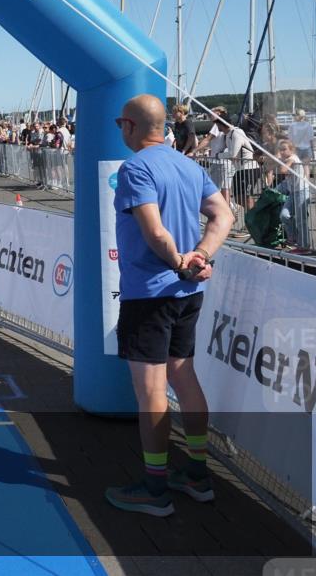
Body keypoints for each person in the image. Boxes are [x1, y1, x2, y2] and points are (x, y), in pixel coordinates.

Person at [106, 94, 233, 517]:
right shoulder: (188, 165)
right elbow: (224, 216)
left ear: (129, 126)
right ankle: (197, 473)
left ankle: (154, 488)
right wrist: (201, 256)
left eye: (119, 124)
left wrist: (182, 261)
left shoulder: (136, 168)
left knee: (151, 393)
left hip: (151, 293)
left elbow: (155, 232)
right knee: (184, 375)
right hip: (187, 293)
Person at [275, 139, 310, 249]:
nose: (282, 152)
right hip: (293, 192)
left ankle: (304, 246)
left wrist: (280, 159)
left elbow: (283, 170)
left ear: (291, 149)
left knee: (301, 220)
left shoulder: (292, 158)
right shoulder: (287, 159)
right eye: (280, 150)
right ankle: (293, 238)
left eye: (284, 149)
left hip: (302, 191)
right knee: (284, 215)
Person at [287, 109, 314, 181]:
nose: (294, 117)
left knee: (295, 167)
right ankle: (306, 185)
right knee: (306, 167)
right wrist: (313, 152)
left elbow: (290, 139)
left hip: (296, 149)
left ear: (298, 116)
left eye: (295, 115)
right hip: (307, 148)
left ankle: (296, 185)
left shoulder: (292, 125)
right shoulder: (309, 125)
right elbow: (311, 139)